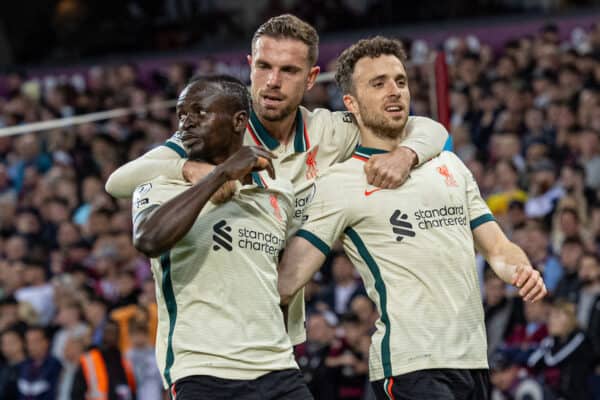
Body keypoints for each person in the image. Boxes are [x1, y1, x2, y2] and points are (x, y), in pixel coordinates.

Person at [277, 36, 547, 400]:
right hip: (409, 366)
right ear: (351, 104)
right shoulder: (339, 183)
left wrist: (519, 269)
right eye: (378, 83)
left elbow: (497, 246)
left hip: (473, 360)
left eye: (400, 81)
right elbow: (289, 278)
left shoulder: (448, 163)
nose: (394, 91)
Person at [130, 75, 312, 399]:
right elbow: (148, 239)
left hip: (278, 368)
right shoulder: (161, 184)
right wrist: (220, 175)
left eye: (200, 112)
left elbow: (279, 278)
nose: (186, 123)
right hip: (203, 372)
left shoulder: (279, 191)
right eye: (181, 114)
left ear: (239, 120)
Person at [71, 319, 136, 400]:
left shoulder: (124, 360)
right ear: (102, 334)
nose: (111, 335)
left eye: (115, 332)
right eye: (108, 331)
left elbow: (130, 390)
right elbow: (77, 393)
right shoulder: (89, 359)